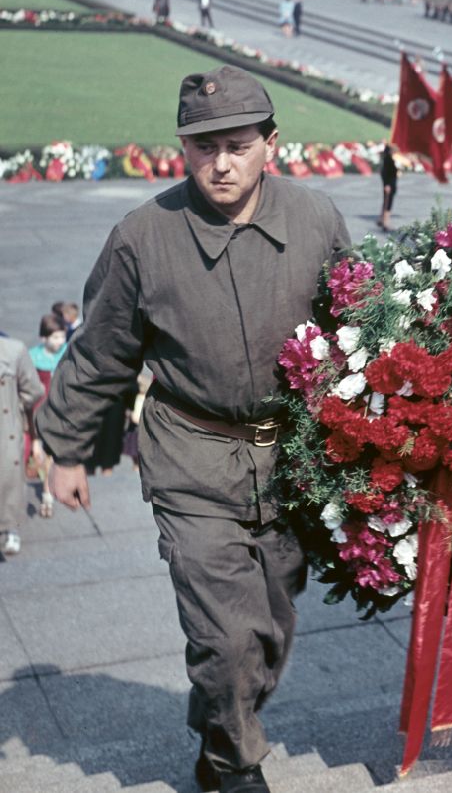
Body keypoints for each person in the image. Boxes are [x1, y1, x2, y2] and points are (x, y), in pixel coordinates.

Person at [35, 65, 351, 793]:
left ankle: (219, 727)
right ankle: (233, 764)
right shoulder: (142, 238)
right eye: (203, 147)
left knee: (269, 631)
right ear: (184, 150)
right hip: (191, 461)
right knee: (227, 638)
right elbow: (101, 350)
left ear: (272, 144)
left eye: (238, 144)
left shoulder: (317, 220)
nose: (221, 163)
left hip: (291, 460)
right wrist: (67, 450)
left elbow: (356, 327)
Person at [1, 335, 45, 557]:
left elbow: (34, 390)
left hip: (5, 427)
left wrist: (13, 407)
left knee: (9, 479)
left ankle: (10, 529)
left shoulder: (13, 350)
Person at [28, 313, 69, 519]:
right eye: (55, 337)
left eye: (62, 336)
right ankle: (46, 493)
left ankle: (46, 495)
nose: (60, 341)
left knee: (51, 455)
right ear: (43, 338)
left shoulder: (67, 352)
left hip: (60, 411)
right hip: (38, 410)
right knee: (40, 454)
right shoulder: (33, 356)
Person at [379, 143, 398, 231]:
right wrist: (387, 184)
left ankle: (381, 219)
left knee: (386, 203)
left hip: (390, 184)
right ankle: (385, 223)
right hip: (389, 185)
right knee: (388, 204)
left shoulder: (388, 159)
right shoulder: (388, 160)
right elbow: (385, 173)